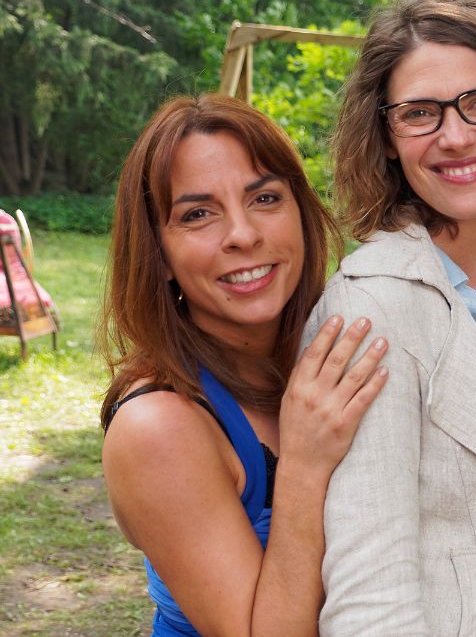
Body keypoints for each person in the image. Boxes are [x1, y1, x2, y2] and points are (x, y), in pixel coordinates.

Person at [309, 0, 476, 634]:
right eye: (419, 114)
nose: (455, 136)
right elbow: (368, 597)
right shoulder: (369, 304)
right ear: (386, 137)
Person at [99, 94, 388, 636]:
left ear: (300, 213)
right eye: (198, 214)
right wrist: (303, 463)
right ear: (158, 255)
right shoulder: (159, 428)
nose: (243, 234)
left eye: (265, 198)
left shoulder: (335, 353)